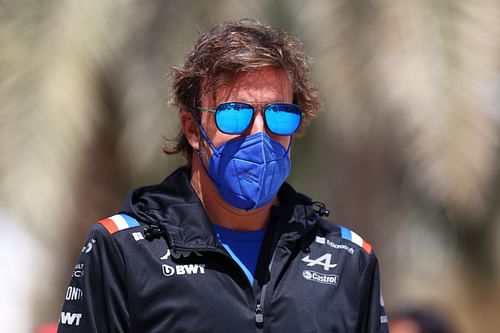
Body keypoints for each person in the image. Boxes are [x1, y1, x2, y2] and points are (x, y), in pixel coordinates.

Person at [58, 19, 388, 332]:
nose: (260, 133)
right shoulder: (124, 250)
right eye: (235, 114)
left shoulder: (349, 259)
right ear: (192, 129)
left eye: (280, 115)